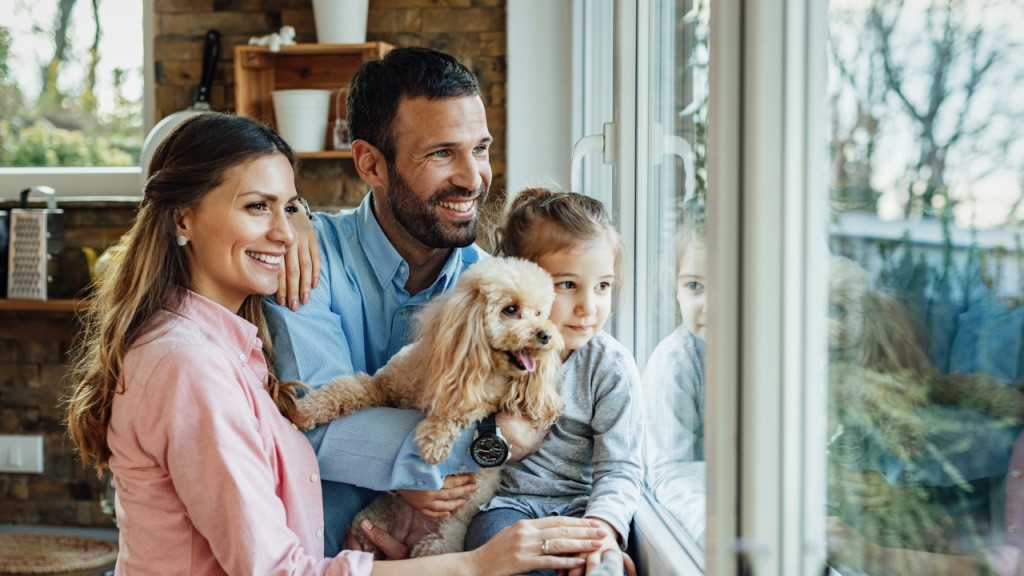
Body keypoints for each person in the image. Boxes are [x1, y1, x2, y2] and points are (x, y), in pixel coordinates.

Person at [63, 112, 606, 575]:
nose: (284, 233)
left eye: (290, 208)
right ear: (183, 218)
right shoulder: (190, 365)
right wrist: (476, 564)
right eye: (256, 207)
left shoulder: (230, 342)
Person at [266, 46, 557, 556]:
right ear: (371, 164)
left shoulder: (495, 289)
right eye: (441, 153)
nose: (473, 177)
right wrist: (484, 442)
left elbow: (534, 412)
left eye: (480, 149)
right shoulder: (307, 261)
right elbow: (309, 425)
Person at [463, 188, 645, 576]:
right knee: (495, 551)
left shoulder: (610, 366)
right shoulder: (499, 352)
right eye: (567, 285)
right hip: (507, 508)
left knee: (599, 565)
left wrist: (602, 530)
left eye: (603, 286)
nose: (588, 307)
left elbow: (620, 468)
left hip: (582, 511)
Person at [640, 197, 708, 547]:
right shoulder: (676, 362)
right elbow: (668, 470)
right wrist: (707, 528)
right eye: (694, 286)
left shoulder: (769, 356)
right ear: (676, 290)